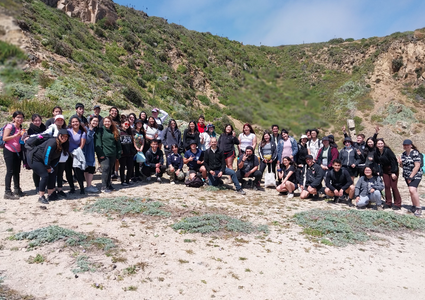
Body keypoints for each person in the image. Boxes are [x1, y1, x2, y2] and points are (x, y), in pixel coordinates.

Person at [30, 129, 70, 204]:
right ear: (59, 136)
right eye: (63, 136)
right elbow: (47, 155)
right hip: (35, 159)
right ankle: (41, 196)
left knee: (53, 173)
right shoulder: (53, 142)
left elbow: (57, 158)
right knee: (45, 175)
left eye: (66, 136)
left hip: (46, 161)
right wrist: (47, 167)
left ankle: (51, 194)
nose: (64, 138)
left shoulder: (62, 144)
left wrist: (52, 167)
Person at [95, 116, 122, 193]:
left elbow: (118, 143)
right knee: (105, 169)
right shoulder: (100, 130)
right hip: (104, 154)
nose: (107, 123)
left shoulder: (114, 131)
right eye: (105, 121)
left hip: (112, 154)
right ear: (103, 122)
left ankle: (108, 184)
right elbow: (98, 143)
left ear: (111, 122)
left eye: (108, 121)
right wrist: (100, 154)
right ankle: (103, 186)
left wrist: (118, 153)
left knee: (110, 170)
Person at [2, 111, 26, 199]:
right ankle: (7, 192)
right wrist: (16, 135)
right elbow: (5, 138)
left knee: (17, 171)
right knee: (10, 171)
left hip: (18, 151)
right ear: (13, 118)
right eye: (18, 117)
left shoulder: (20, 127)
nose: (20, 119)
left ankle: (17, 189)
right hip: (9, 150)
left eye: (21, 117)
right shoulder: (10, 126)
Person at [374, 138, 401, 210]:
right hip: (384, 170)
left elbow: (394, 162)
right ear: (376, 145)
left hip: (392, 169)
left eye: (381, 143)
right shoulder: (376, 152)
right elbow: (376, 162)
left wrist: (393, 172)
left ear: (383, 144)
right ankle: (388, 202)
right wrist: (377, 170)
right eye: (378, 144)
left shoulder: (388, 151)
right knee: (387, 186)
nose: (380, 145)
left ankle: (397, 203)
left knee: (394, 186)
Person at [399, 139, 423, 217]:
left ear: (411, 145)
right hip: (407, 175)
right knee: (412, 191)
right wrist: (400, 163)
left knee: (412, 189)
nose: (406, 146)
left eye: (407, 145)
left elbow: (417, 166)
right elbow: (403, 166)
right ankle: (414, 206)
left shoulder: (415, 153)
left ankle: (418, 208)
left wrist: (411, 176)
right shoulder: (403, 154)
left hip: (416, 175)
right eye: (404, 145)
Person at [66, 117, 87, 194]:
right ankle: (72, 188)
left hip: (76, 154)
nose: (75, 123)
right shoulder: (68, 131)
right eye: (73, 122)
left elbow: (82, 145)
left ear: (79, 122)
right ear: (71, 123)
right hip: (67, 154)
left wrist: (75, 153)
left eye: (76, 121)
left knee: (78, 172)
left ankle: (82, 188)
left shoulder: (82, 132)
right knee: (68, 172)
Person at [27, 114, 46, 192]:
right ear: (32, 121)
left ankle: (43, 185)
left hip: (43, 150)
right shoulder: (30, 130)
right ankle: (37, 186)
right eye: (35, 121)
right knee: (36, 170)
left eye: (39, 120)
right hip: (34, 151)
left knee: (44, 168)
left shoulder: (44, 127)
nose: (37, 122)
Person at [83, 116, 99, 193]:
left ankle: (88, 185)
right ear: (90, 121)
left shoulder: (93, 130)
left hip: (90, 152)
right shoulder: (87, 129)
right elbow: (87, 141)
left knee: (87, 168)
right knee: (91, 168)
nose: (95, 122)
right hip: (87, 152)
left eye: (97, 121)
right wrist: (90, 130)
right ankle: (89, 186)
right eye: (94, 121)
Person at [119, 121, 136, 186]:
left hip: (130, 152)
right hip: (122, 153)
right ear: (122, 124)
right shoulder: (119, 132)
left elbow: (132, 142)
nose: (127, 125)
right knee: (122, 167)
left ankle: (128, 180)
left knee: (130, 167)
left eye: (128, 124)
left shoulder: (130, 132)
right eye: (125, 123)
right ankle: (123, 181)